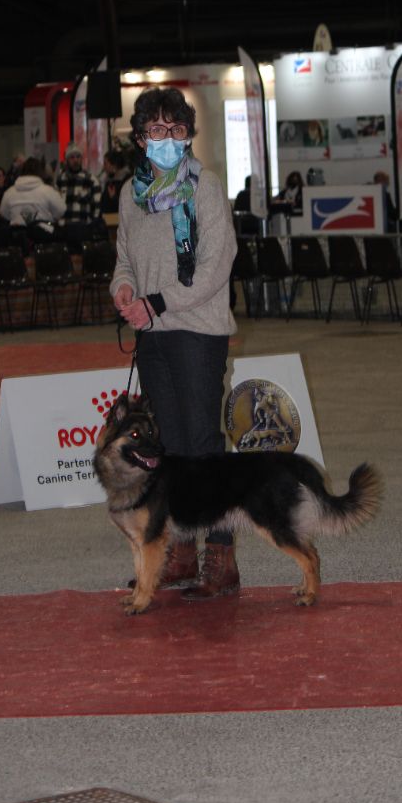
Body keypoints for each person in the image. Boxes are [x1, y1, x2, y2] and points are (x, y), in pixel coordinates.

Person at [111, 86, 238, 600]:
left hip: (197, 332)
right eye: (157, 130)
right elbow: (124, 257)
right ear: (140, 138)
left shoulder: (204, 187)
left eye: (177, 129)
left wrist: (159, 302)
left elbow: (217, 264)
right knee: (170, 451)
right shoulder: (129, 195)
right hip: (152, 337)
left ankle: (222, 559)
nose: (168, 138)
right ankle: (180, 551)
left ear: (189, 135)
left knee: (204, 447)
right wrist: (122, 287)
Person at [0, 156, 66, 239]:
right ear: (41, 171)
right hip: (43, 238)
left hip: (16, 239)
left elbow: (4, 213)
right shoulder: (47, 190)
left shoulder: (9, 192)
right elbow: (61, 210)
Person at [99, 148, 132, 215]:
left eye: (106, 163)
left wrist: (113, 197)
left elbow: (126, 205)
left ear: (114, 165)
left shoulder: (126, 181)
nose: (104, 167)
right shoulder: (108, 180)